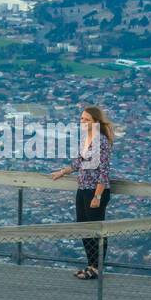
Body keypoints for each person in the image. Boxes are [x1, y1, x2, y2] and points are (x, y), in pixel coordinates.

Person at [51, 105, 114, 279]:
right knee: (84, 228)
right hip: (83, 189)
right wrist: (62, 172)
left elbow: (104, 171)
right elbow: (79, 162)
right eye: (81, 119)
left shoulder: (101, 141)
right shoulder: (86, 138)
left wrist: (98, 195)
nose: (82, 122)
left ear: (95, 122)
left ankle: (96, 268)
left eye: (86, 119)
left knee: (96, 230)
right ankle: (91, 265)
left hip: (95, 191)